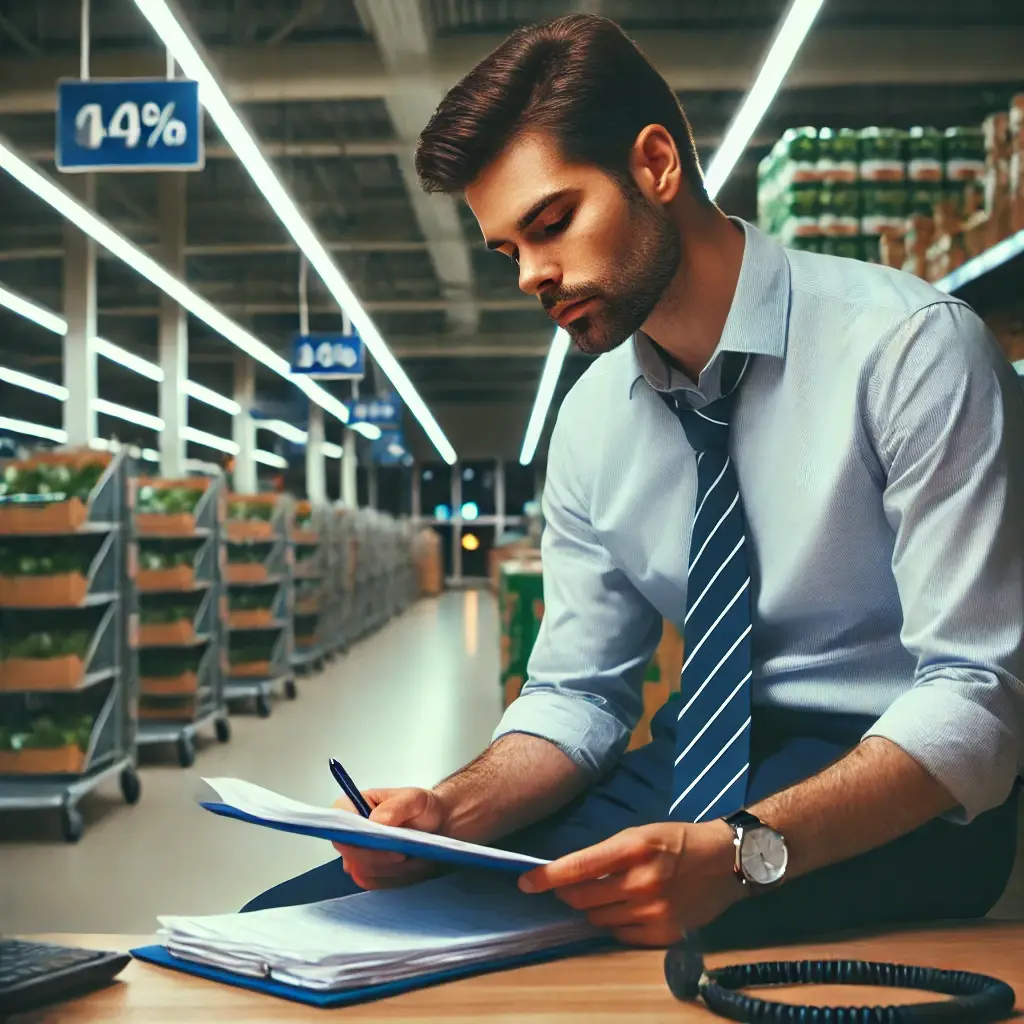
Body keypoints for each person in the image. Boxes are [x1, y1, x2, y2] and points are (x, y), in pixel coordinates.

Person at [244, 14, 1024, 950]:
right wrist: (448, 812)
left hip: (893, 789)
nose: (533, 274)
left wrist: (742, 854)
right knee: (300, 921)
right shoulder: (592, 420)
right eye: (507, 251)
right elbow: (577, 696)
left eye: (551, 223)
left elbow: (979, 697)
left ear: (656, 165)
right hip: (690, 763)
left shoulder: (909, 352)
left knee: (577, 953)